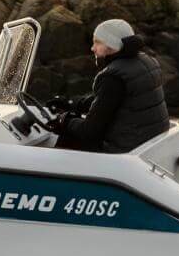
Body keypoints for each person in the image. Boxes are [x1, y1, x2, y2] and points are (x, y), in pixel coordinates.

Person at [53, 18, 170, 154]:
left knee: (65, 138)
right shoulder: (146, 61)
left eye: (97, 42)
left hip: (124, 149)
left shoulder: (113, 78)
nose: (92, 48)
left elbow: (89, 131)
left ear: (111, 44)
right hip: (148, 141)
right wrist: (72, 104)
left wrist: (64, 121)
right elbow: (111, 102)